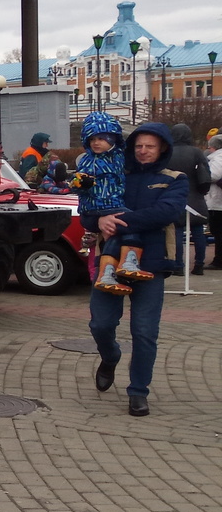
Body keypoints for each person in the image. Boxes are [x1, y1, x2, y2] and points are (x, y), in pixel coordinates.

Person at [86, 123, 187, 417]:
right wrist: (97, 221)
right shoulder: (116, 174)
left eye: (150, 146)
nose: (143, 151)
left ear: (163, 149)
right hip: (111, 263)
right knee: (100, 324)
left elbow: (166, 212)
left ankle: (138, 391)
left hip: (152, 263)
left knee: (144, 332)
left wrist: (116, 218)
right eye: (139, 146)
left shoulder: (175, 179)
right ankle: (110, 356)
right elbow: (91, 209)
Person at [73, 112, 146, 295]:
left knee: (114, 234)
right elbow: (75, 183)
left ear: (113, 139)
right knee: (130, 224)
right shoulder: (88, 161)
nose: (96, 143)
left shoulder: (119, 157)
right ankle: (130, 261)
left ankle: (107, 272)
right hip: (98, 205)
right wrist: (81, 184)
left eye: (101, 138)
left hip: (112, 202)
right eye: (92, 139)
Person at [166, 123, 212, 272]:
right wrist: (203, 191)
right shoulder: (197, 152)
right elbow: (205, 175)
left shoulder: (168, 153)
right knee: (198, 231)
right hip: (195, 195)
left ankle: (178, 265)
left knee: (177, 231)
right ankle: (199, 265)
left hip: (174, 195)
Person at [207, 135, 222, 270]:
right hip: (217, 200)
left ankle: (219, 260)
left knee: (218, 231)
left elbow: (213, 174)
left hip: (217, 201)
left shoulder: (218, 158)